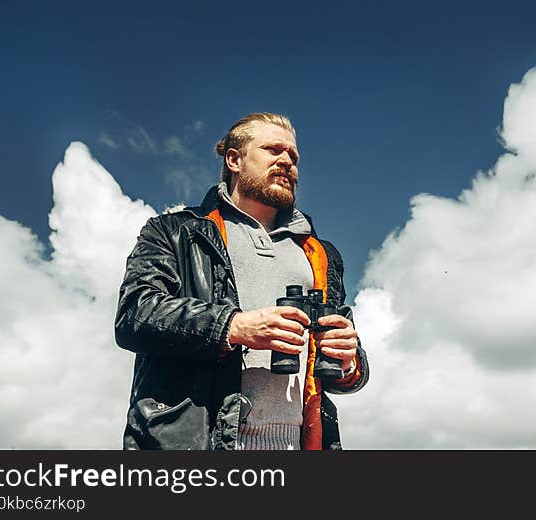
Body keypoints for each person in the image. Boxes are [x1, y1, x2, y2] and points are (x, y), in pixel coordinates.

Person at [114, 112, 368, 450]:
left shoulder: (320, 254)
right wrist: (233, 327)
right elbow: (135, 315)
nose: (286, 161)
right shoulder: (173, 232)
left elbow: (341, 375)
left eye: (293, 156)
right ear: (235, 159)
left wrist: (349, 361)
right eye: (273, 150)